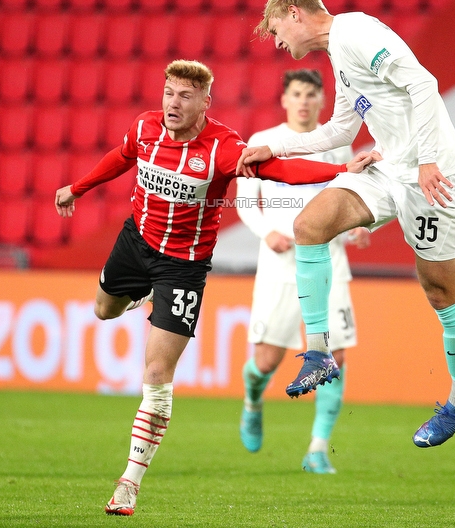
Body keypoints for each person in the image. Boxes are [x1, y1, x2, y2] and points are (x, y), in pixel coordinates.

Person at [54, 59, 377, 516]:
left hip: (182, 268)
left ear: (205, 102)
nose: (173, 102)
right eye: (169, 92)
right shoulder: (145, 127)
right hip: (136, 241)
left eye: (185, 96)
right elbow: (122, 156)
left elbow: (280, 173)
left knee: (156, 377)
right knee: (103, 310)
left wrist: (342, 169)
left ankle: (130, 481)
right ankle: (143, 296)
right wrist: (79, 187)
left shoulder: (224, 148)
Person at [238, 0, 455, 448]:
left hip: (437, 175)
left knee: (441, 291)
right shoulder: (339, 55)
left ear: (294, 13)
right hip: (389, 169)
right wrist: (274, 146)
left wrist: (428, 157)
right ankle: (318, 353)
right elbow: (339, 130)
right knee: (310, 224)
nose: (277, 42)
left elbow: (423, 83)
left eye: (275, 30)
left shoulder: (356, 32)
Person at [235, 69, 370, 473]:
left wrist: (358, 227)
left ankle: (318, 448)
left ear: (322, 101)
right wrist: (267, 231)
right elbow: (244, 202)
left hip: (329, 261)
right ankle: (253, 401)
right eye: (297, 93)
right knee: (265, 361)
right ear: (285, 99)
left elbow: (348, 204)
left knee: (336, 356)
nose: (305, 101)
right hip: (281, 265)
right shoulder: (264, 143)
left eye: (312, 94)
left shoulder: (336, 148)